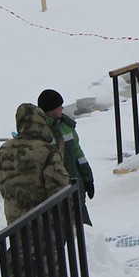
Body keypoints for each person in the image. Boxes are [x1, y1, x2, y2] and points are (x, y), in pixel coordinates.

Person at [0, 103, 74, 277]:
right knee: (50, 273)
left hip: (16, 226)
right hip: (43, 224)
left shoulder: (4, 150)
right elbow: (58, 185)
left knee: (21, 275)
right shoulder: (46, 151)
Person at [38, 88, 95, 226]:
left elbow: (78, 154)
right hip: (55, 192)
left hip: (76, 185)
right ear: (51, 111)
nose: (62, 108)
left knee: (83, 227)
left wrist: (87, 177)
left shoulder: (66, 126)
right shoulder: (41, 131)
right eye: (59, 106)